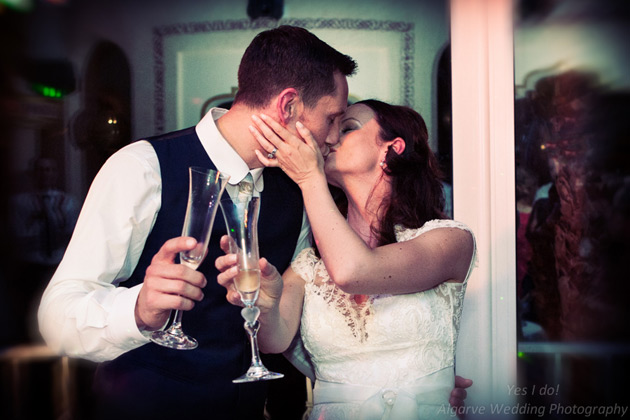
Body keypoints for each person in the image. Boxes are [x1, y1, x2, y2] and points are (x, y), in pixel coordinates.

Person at [38, 25, 356, 420]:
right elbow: (56, 316)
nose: (335, 137)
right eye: (332, 119)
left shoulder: (298, 194)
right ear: (288, 106)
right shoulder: (143, 167)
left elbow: (287, 330)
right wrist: (137, 309)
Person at [217, 99, 476, 419]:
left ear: (391, 149)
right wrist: (266, 303)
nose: (329, 139)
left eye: (348, 128)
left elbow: (354, 270)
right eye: (331, 127)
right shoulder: (308, 264)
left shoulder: (450, 240)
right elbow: (274, 339)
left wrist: (308, 176)